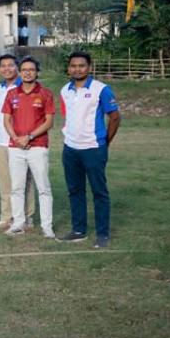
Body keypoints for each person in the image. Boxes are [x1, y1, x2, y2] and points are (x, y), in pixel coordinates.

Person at [59, 51, 121, 248]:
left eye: (82, 65)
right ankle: (78, 230)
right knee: (75, 190)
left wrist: (104, 141)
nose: (77, 69)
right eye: (73, 66)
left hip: (93, 148)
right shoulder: (65, 90)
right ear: (69, 68)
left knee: (99, 191)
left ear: (89, 67)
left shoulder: (101, 89)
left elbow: (115, 117)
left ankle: (102, 234)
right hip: (70, 149)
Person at [2, 56, 56, 239]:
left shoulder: (45, 93)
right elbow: (6, 120)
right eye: (24, 70)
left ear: (37, 72)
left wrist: (29, 137)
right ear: (19, 72)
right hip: (15, 147)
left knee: (43, 188)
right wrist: (16, 138)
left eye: (31, 69)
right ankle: (18, 223)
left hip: (37, 147)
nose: (27, 73)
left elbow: (49, 122)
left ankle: (47, 227)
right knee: (16, 188)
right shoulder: (12, 94)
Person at [0, 54, 33, 229]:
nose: (6, 69)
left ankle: (27, 216)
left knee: (23, 181)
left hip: (20, 142)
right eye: (3, 66)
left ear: (17, 68)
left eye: (11, 65)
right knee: (4, 182)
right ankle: (7, 216)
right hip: (0, 142)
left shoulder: (26, 87)